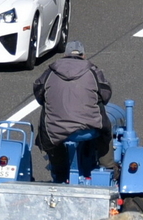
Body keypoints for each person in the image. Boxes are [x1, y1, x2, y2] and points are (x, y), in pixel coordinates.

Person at [33, 40, 112, 179]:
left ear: (65, 55)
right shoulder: (93, 71)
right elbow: (105, 95)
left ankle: (59, 171)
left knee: (49, 135)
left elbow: (39, 93)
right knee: (105, 132)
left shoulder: (50, 72)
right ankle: (108, 166)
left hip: (56, 130)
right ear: (83, 55)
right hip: (89, 129)